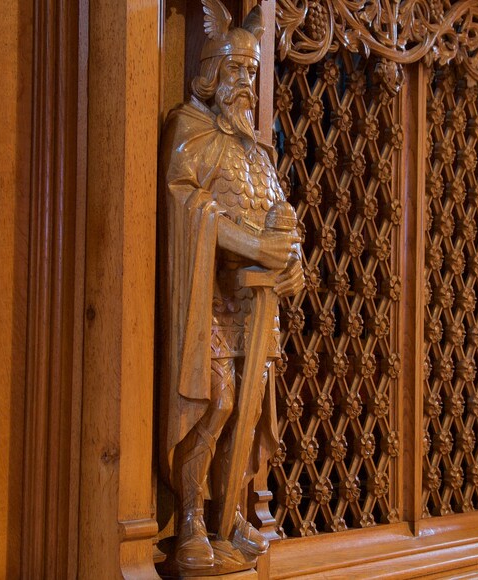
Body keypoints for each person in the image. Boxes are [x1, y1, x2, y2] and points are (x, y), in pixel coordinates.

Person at [157, 0, 304, 571]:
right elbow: (187, 206)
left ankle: (227, 517)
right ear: (211, 70)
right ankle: (190, 518)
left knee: (249, 404)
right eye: (236, 70)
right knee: (214, 401)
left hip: (253, 305)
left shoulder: (259, 152)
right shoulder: (188, 128)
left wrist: (289, 262)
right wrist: (255, 248)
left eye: (252, 71)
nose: (245, 82)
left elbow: (283, 225)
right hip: (205, 299)